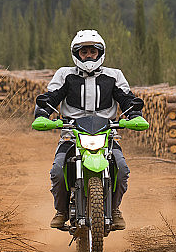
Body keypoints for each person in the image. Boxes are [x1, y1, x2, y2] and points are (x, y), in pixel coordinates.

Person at [34, 29, 144, 230]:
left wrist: (134, 115)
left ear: (100, 52)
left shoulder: (114, 75)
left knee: (122, 169)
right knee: (58, 171)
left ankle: (115, 208)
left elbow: (127, 98)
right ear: (76, 53)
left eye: (92, 51)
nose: (88, 56)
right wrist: (42, 114)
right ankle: (61, 210)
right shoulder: (65, 74)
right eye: (84, 52)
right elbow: (51, 97)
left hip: (106, 134)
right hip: (71, 134)